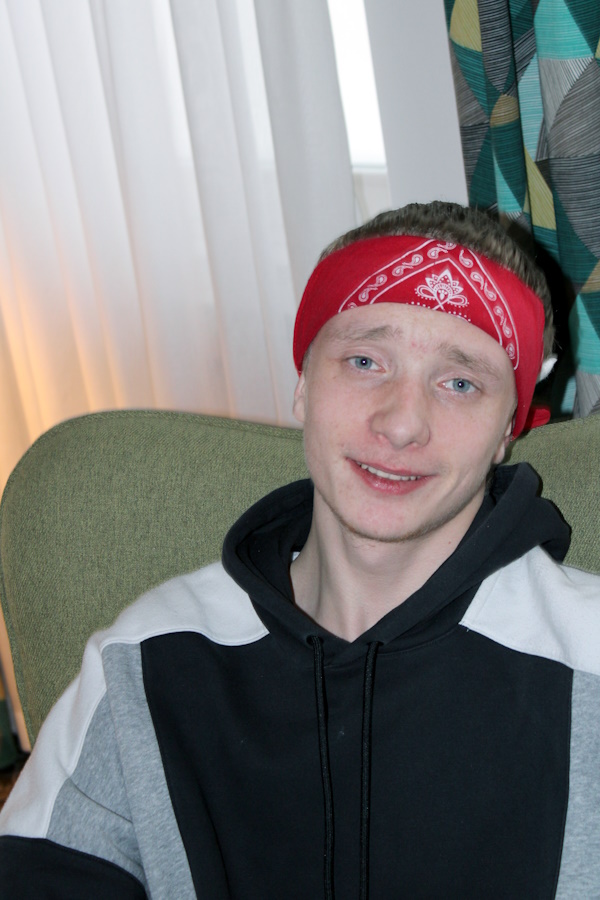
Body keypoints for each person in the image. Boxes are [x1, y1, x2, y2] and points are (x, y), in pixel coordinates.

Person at [1, 201, 599, 899]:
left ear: (506, 432)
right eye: (365, 361)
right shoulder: (143, 663)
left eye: (459, 382)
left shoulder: (588, 657)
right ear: (304, 387)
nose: (402, 423)